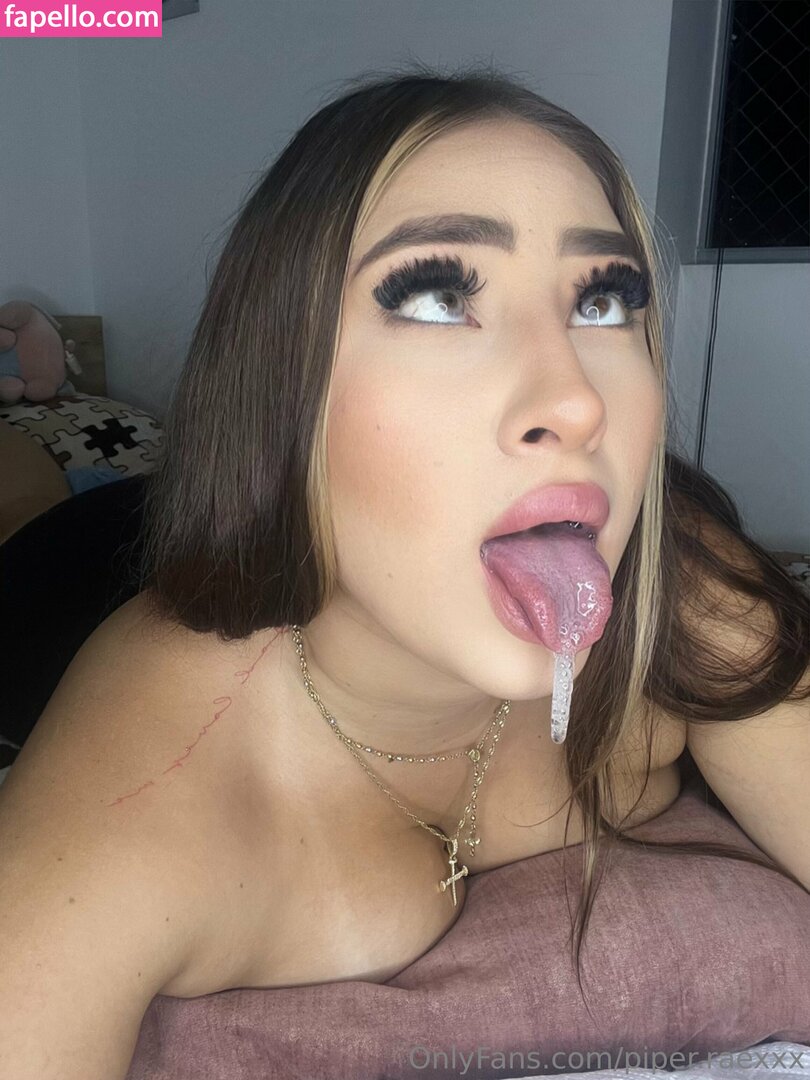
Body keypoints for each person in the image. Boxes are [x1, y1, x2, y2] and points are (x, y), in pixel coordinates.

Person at [1, 64, 809, 1080]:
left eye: (604, 299)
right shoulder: (140, 809)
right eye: (437, 295)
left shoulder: (680, 589)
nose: (577, 403)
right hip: (63, 568)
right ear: (279, 381)